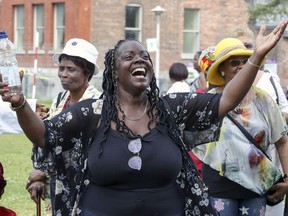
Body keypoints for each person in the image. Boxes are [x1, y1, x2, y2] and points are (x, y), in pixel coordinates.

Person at [0, 20, 287, 216]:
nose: (140, 59)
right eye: (129, 56)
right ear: (113, 72)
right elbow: (43, 135)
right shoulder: (91, 114)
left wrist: (256, 57)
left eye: (144, 55)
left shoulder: (172, 109)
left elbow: (226, 100)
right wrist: (20, 103)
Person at [193, 36, 288, 216]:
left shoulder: (263, 100)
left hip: (256, 185)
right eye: (234, 62)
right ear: (221, 68)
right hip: (219, 185)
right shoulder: (207, 103)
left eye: (246, 61)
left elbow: (282, 141)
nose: (242, 66)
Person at [25, 38, 102, 215]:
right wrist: (40, 173)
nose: (64, 74)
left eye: (71, 69)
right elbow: (48, 139)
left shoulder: (98, 103)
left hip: (87, 187)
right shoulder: (60, 100)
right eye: (61, 68)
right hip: (60, 185)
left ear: (87, 73)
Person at [231, 25, 288, 216]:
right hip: (230, 177)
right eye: (237, 48)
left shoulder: (269, 80)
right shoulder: (224, 87)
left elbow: (283, 129)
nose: (244, 51)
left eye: (248, 45)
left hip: (266, 171)